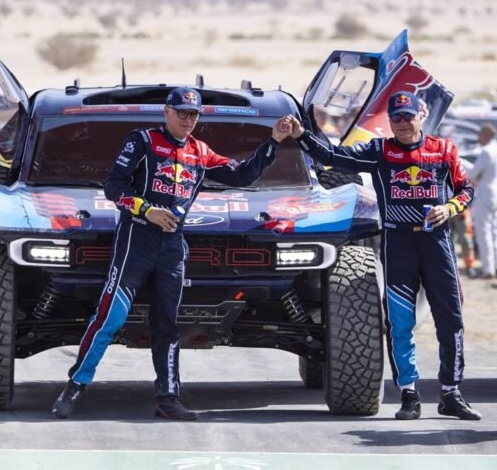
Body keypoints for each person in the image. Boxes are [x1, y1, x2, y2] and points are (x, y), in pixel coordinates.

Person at [51, 87, 289, 420]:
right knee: (111, 317)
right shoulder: (143, 141)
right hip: (136, 240)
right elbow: (114, 185)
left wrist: (274, 142)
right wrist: (145, 209)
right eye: (181, 113)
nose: (187, 120)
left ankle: (168, 398)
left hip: (173, 246)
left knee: (168, 325)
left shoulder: (200, 151)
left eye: (193, 115)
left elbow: (243, 175)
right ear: (166, 112)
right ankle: (75, 385)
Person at [279, 91, 481, 421]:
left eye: (408, 116)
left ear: (422, 116)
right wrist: (302, 135)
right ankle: (409, 393)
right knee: (400, 324)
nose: (402, 123)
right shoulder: (380, 151)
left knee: (452, 319)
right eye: (396, 117)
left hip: (437, 245)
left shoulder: (443, 150)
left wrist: (450, 207)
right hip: (398, 245)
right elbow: (333, 154)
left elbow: (466, 190)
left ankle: (450, 393)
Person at [467, 124, 497, 280]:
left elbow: (472, 174)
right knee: (494, 233)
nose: (478, 138)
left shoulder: (486, 152)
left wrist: (462, 164)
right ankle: (493, 266)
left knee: (483, 232)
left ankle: (488, 269)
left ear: (486, 135)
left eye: (480, 134)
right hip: (494, 193)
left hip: (485, 194)